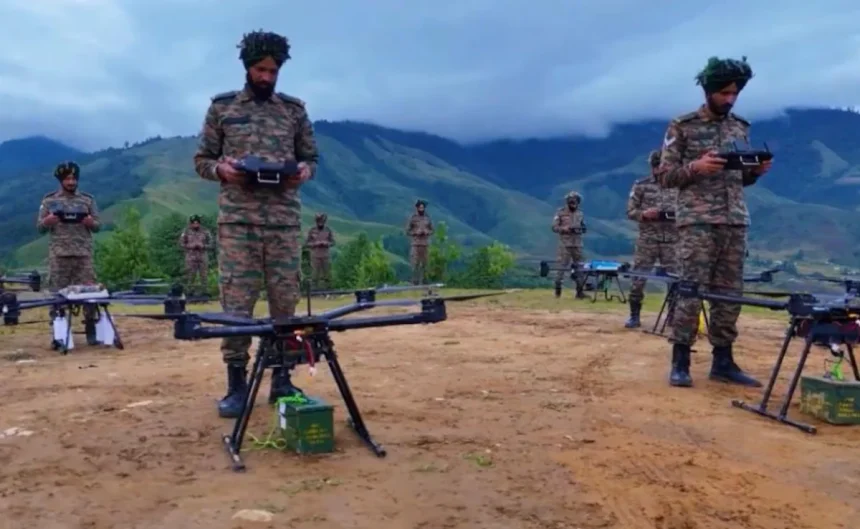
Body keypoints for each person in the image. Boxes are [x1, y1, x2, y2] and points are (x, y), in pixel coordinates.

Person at [192, 29, 319, 418]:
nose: (267, 77)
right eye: (260, 70)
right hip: (238, 223)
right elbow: (202, 160)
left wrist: (303, 171)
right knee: (237, 305)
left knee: (285, 305)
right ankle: (237, 386)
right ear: (247, 67)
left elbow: (311, 158)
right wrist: (222, 170)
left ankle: (282, 380)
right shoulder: (222, 108)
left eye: (273, 71)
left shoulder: (294, 111)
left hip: (283, 222)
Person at [657, 55, 772, 388]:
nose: (730, 99)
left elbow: (739, 179)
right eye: (724, 93)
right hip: (697, 221)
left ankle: (723, 361)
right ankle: (680, 360)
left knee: (729, 293)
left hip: (734, 220)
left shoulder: (740, 126)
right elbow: (664, 177)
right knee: (690, 289)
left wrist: (755, 172)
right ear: (708, 91)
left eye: (734, 93)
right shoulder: (682, 126)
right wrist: (696, 168)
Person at [36, 161, 101, 344]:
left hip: (83, 255)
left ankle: (91, 330)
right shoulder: (49, 201)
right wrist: (47, 222)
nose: (71, 182)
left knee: (90, 294)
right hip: (59, 256)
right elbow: (39, 228)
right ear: (61, 180)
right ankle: (59, 334)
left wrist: (91, 223)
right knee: (57, 296)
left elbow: (98, 226)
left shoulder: (87, 200)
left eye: (73, 178)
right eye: (67, 179)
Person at [625, 150, 678, 328]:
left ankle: (672, 316)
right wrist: (644, 214)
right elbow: (630, 211)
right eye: (657, 166)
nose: (660, 169)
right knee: (638, 277)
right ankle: (634, 315)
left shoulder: (678, 186)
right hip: (648, 239)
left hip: (672, 240)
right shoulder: (641, 186)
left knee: (675, 279)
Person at [551, 191, 587, 299]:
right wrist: (565, 229)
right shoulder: (560, 213)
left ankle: (580, 292)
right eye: (571, 201)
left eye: (575, 201)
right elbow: (554, 227)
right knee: (561, 268)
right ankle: (558, 292)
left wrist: (582, 229)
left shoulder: (580, 214)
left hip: (577, 245)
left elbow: (583, 226)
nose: (573, 203)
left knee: (580, 268)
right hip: (565, 245)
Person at [178, 214, 213, 294]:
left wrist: (203, 246)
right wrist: (190, 246)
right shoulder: (186, 232)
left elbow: (212, 243)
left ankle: (205, 292)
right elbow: (181, 243)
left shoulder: (205, 231)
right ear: (191, 223)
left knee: (204, 276)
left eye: (197, 223)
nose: (195, 224)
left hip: (202, 256)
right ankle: (189, 292)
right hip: (191, 257)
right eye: (193, 223)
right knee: (190, 276)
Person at [405, 199, 434, 285]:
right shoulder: (413, 218)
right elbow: (407, 231)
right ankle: (414, 281)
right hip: (416, 244)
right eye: (420, 207)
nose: (422, 209)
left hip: (425, 244)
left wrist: (427, 232)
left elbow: (432, 230)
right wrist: (415, 232)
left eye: (423, 208)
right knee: (415, 263)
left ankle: (424, 281)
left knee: (425, 264)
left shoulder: (427, 218)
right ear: (417, 208)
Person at [304, 212, 335, 290]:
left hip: (326, 256)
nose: (320, 223)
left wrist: (326, 243)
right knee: (314, 275)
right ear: (316, 221)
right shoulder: (312, 230)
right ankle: (314, 291)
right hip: (315, 256)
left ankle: (328, 290)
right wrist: (315, 244)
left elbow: (333, 242)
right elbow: (307, 243)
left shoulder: (328, 230)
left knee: (327, 274)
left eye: (322, 221)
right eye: (319, 221)